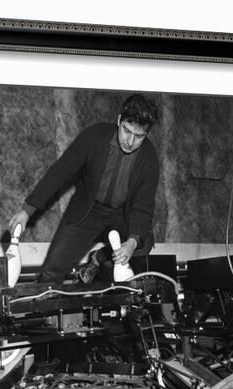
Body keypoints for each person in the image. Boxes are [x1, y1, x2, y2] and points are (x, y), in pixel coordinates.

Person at [9, 94, 159, 284]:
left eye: (139, 137)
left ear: (147, 134)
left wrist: (132, 241)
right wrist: (27, 210)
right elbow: (60, 172)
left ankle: (100, 257)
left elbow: (142, 206)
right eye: (126, 131)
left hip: (123, 215)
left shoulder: (149, 158)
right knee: (52, 270)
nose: (130, 142)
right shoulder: (94, 136)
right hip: (88, 211)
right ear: (119, 120)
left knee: (143, 242)